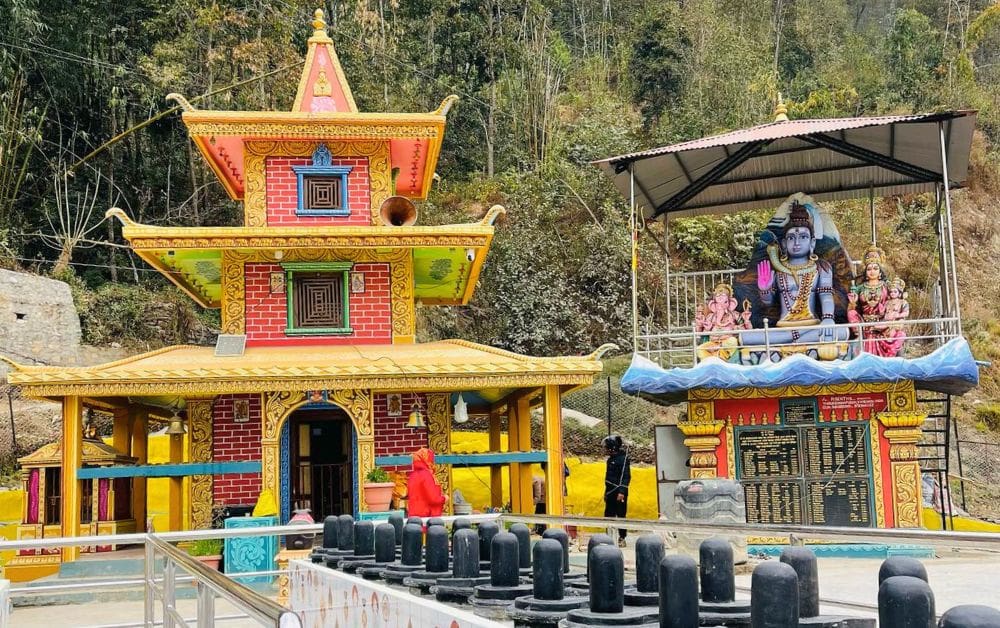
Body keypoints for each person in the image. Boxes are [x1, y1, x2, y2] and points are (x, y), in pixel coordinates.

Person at [740, 200, 848, 348]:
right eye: (791, 238)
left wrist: (828, 318)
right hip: (784, 326)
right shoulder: (779, 271)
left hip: (812, 324)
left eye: (803, 237)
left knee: (844, 331)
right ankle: (799, 340)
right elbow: (769, 302)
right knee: (744, 337)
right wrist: (765, 290)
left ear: (812, 243)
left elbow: (826, 296)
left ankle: (790, 342)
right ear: (784, 244)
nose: (796, 242)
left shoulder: (821, 267)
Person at [603, 435, 631, 547]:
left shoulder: (623, 459)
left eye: (607, 447)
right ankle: (609, 538)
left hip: (619, 491)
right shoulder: (610, 460)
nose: (605, 449)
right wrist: (606, 493)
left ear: (612, 447)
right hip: (610, 491)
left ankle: (622, 538)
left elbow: (626, 476)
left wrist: (622, 491)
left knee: (621, 514)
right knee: (608, 514)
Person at [406, 447, 447, 517]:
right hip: (427, 517)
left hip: (414, 516)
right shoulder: (426, 475)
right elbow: (433, 499)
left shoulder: (412, 475)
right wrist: (444, 498)